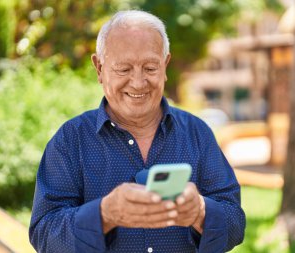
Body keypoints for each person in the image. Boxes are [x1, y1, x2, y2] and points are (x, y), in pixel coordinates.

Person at [29, 10, 245, 253]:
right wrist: (104, 215)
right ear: (99, 68)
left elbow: (235, 223)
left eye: (150, 68)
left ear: (165, 66)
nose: (138, 82)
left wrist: (201, 212)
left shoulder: (197, 133)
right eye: (124, 69)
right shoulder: (70, 140)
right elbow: (44, 235)